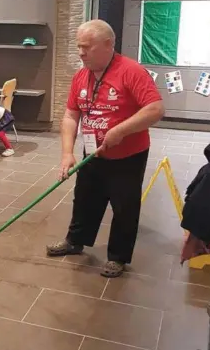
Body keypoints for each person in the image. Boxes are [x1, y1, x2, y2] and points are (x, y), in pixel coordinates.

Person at [46, 19, 165, 278]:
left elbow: (155, 109)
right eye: (79, 46)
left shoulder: (131, 71)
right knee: (85, 199)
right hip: (93, 152)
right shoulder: (81, 76)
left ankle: (118, 257)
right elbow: (70, 115)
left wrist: (121, 130)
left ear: (109, 45)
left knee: (124, 206)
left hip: (127, 156)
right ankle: (75, 241)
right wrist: (67, 153)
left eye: (87, 47)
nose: (81, 53)